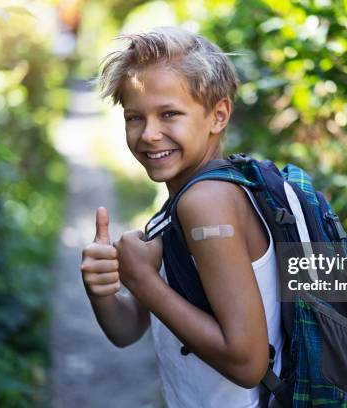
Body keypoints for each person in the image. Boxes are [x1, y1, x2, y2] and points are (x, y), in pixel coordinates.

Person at [79, 26, 284, 407]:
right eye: (134, 118)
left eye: (169, 114)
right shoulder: (186, 200)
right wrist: (103, 287)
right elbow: (126, 329)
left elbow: (248, 363)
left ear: (218, 115)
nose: (149, 134)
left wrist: (141, 278)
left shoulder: (205, 203)